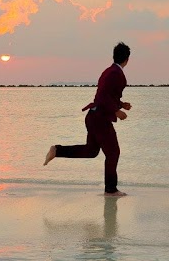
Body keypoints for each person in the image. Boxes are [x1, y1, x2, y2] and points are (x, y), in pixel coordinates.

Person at [44, 42, 132, 196]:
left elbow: (105, 96)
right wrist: (116, 110)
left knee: (91, 151)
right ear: (127, 59)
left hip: (93, 116)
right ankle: (110, 189)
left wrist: (121, 104)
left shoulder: (109, 71)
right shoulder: (115, 73)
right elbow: (104, 96)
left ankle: (57, 150)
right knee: (113, 153)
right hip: (99, 119)